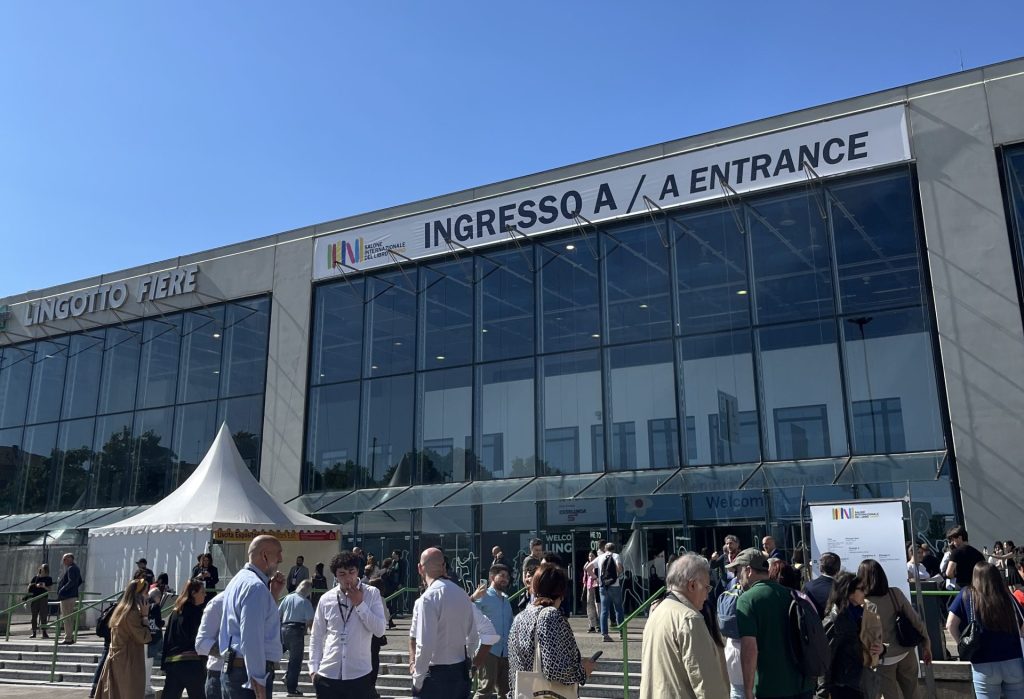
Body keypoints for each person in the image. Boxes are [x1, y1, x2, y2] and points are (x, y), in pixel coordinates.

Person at [640, 553, 728, 699]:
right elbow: (707, 684)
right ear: (692, 585)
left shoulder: (657, 612)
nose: (707, 595)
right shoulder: (689, 618)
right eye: (706, 587)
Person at [732, 547, 816, 699]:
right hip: (803, 683)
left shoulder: (747, 599)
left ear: (748, 570)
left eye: (737, 571)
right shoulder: (792, 594)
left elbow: (749, 648)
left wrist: (748, 691)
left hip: (770, 688)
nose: (737, 577)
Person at [507, 562, 595, 697]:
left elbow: (513, 668)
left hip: (523, 693)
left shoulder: (519, 617)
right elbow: (554, 669)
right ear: (561, 591)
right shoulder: (550, 615)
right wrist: (582, 671)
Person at [308, 550, 386, 698]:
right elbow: (316, 635)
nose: (348, 578)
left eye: (352, 572)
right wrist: (313, 669)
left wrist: (360, 604)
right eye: (342, 574)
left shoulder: (372, 594)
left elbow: (380, 630)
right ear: (336, 576)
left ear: (358, 571)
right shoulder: (326, 599)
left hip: (359, 674)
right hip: (328, 674)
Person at [218, 534, 287, 699]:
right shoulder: (255, 587)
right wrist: (257, 681)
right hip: (246, 675)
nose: (281, 559)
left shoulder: (237, 581)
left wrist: (273, 595)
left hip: (233, 668)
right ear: (264, 555)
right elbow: (251, 637)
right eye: (278, 554)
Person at [947, 561, 1024, 698]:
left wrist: (963, 644)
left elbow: (950, 624)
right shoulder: (1008, 596)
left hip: (982, 662)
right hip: (1013, 661)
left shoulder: (966, 594)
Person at [410, 547, 478, 698]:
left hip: (435, 676)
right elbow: (473, 637)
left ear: (420, 568)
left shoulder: (427, 598)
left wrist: (417, 681)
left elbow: (425, 644)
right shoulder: (462, 595)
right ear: (443, 566)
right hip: (460, 672)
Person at [857, 558, 931, 699]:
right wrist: (926, 644)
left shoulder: (864, 604)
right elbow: (916, 621)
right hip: (906, 652)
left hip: (882, 658)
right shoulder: (894, 593)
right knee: (913, 693)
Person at [823, 572, 882, 699]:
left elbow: (863, 644)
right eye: (861, 589)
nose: (865, 592)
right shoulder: (835, 620)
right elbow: (825, 658)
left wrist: (881, 649)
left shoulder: (864, 614)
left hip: (862, 681)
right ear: (848, 592)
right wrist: (822, 692)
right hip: (844, 685)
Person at [93, 578, 152, 699]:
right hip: (128, 662)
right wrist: (145, 617)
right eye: (146, 592)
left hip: (118, 659)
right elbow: (144, 637)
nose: (148, 595)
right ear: (138, 595)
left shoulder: (121, 609)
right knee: (128, 693)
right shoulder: (132, 613)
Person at [160, 579, 208, 699]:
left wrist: (163, 664)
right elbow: (198, 638)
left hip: (173, 664)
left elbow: (167, 638)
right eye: (202, 592)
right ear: (193, 593)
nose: (205, 595)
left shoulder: (175, 612)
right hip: (192, 664)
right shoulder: (197, 613)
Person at [472, 564, 514, 699]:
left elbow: (510, 624)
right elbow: (466, 611)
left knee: (506, 691)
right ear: (492, 577)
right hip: (488, 651)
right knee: (485, 690)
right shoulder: (483, 595)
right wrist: (473, 597)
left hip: (505, 652)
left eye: (507, 577)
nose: (505, 579)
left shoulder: (506, 599)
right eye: (501, 575)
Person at [279, 579, 315, 697]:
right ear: (308, 591)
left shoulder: (287, 598)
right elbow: (310, 622)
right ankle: (291, 689)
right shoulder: (305, 602)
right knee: (295, 662)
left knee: (275, 655)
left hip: (284, 629)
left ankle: (283, 676)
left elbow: (279, 614)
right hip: (296, 631)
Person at [194, 591, 226, 699]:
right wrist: (234, 657)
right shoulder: (219, 602)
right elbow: (202, 643)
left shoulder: (261, 600)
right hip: (219, 674)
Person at [594, 542, 624, 642]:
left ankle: (605, 635)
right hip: (615, 585)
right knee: (618, 609)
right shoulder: (616, 556)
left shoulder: (600, 557)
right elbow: (619, 568)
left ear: (605, 549)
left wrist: (596, 578)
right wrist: (618, 575)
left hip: (603, 586)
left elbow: (587, 568)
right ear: (614, 548)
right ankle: (621, 632)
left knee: (604, 610)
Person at [804, 552, 841, 619]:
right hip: (833, 628)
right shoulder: (842, 590)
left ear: (821, 568)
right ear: (838, 570)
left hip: (813, 627)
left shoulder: (808, 586)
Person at [56, 552, 83, 645]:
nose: (63, 561)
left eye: (65, 559)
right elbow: (79, 581)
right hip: (71, 595)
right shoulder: (74, 568)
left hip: (67, 597)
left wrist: (62, 590)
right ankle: (69, 636)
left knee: (67, 617)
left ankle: (68, 638)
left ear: (71, 559)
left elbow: (72, 581)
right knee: (68, 617)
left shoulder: (71, 568)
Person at [28, 563, 52, 638]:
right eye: (42, 569)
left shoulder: (48, 579)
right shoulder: (35, 578)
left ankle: (44, 632)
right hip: (35, 598)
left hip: (43, 598)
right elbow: (29, 587)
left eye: (45, 569)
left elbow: (50, 590)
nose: (43, 570)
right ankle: (34, 632)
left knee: (43, 616)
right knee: (34, 616)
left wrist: (44, 586)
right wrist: (36, 585)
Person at [582, 550, 600, 633]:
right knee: (590, 605)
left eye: (592, 556)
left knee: (598, 605)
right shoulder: (587, 565)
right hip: (589, 586)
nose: (590, 558)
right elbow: (585, 578)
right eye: (589, 556)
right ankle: (592, 625)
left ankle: (599, 625)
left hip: (597, 585)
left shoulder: (598, 564)